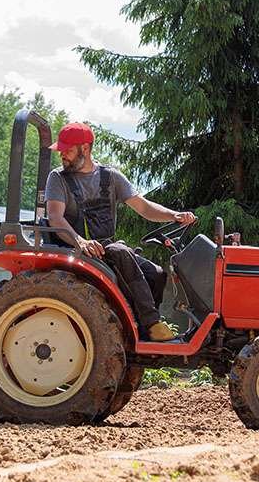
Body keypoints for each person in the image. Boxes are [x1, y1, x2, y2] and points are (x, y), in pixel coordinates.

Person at [45, 122, 196, 342]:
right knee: (121, 251)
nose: (62, 156)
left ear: (85, 149)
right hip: (77, 249)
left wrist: (174, 215)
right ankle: (152, 324)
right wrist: (81, 241)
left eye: (67, 150)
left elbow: (143, 207)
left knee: (157, 274)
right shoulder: (58, 178)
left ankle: (138, 333)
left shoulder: (111, 177)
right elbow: (55, 217)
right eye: (61, 151)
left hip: (107, 248)